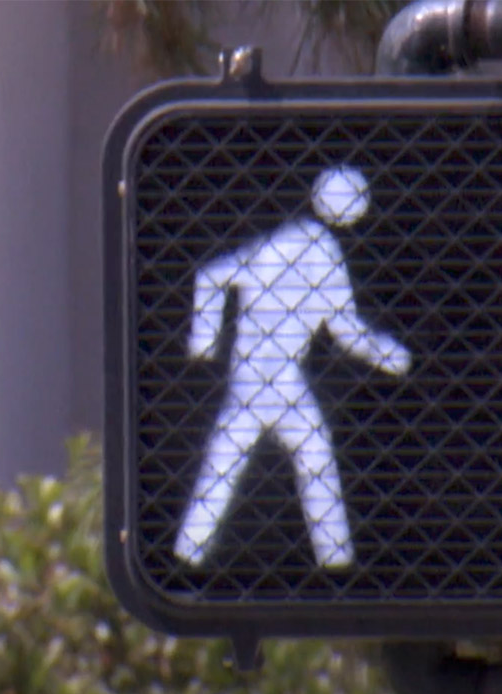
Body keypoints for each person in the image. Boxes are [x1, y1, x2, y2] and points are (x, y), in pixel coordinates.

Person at [173, 166, 412, 569]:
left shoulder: (281, 243)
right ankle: (336, 563)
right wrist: (389, 356)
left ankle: (189, 553)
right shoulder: (317, 250)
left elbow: (212, 275)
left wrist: (206, 345)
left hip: (257, 373)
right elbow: (345, 328)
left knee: (232, 462)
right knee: (309, 455)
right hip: (273, 376)